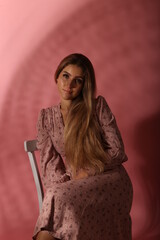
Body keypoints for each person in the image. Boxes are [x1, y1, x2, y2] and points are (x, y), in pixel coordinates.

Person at [33, 53, 133, 240]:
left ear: (84, 85)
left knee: (56, 201)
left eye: (77, 80)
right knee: (56, 200)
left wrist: (88, 170)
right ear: (57, 76)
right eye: (66, 76)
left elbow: (118, 151)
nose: (69, 85)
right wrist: (67, 185)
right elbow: (49, 164)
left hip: (110, 179)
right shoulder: (46, 118)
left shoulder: (97, 107)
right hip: (73, 185)